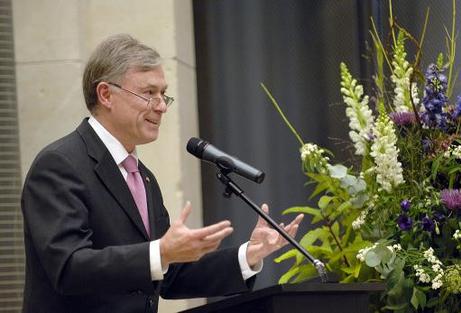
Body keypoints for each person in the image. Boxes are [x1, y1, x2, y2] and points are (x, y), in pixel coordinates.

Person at [20, 34, 303, 313]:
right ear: (106, 94)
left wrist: (248, 255)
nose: (160, 106)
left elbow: (170, 274)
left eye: (163, 94)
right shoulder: (59, 165)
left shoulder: (142, 176)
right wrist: (161, 253)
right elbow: (69, 267)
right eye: (148, 93)